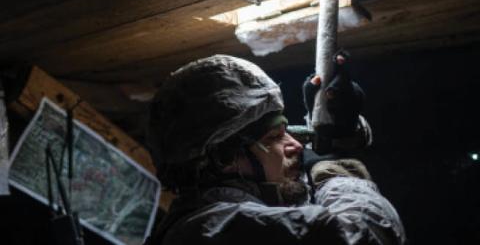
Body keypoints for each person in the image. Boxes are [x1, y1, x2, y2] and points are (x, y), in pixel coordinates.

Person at [145, 54, 406, 245]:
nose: (295, 145)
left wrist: (335, 128)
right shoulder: (214, 230)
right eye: (274, 137)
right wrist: (337, 176)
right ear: (225, 157)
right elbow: (366, 237)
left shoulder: (221, 210)